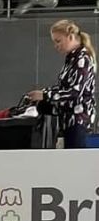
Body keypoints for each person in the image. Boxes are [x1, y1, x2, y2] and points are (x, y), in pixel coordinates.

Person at [26, 19, 96, 150]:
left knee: (74, 159)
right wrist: (44, 95)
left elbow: (75, 92)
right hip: (68, 121)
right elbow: (64, 89)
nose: (56, 46)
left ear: (70, 37)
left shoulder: (82, 60)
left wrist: (45, 95)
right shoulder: (71, 61)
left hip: (78, 121)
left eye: (58, 41)